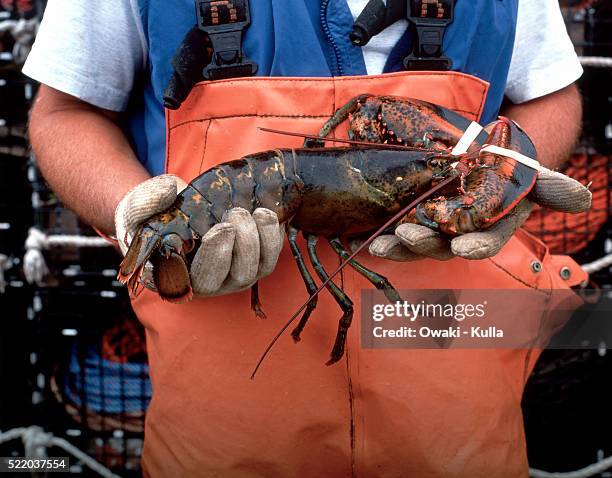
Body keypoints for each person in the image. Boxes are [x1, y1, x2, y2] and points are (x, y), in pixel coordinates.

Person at [23, 0, 591, 476]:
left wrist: (509, 176)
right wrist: (133, 209)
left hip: (456, 364)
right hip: (227, 404)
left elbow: (549, 93)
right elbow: (66, 111)